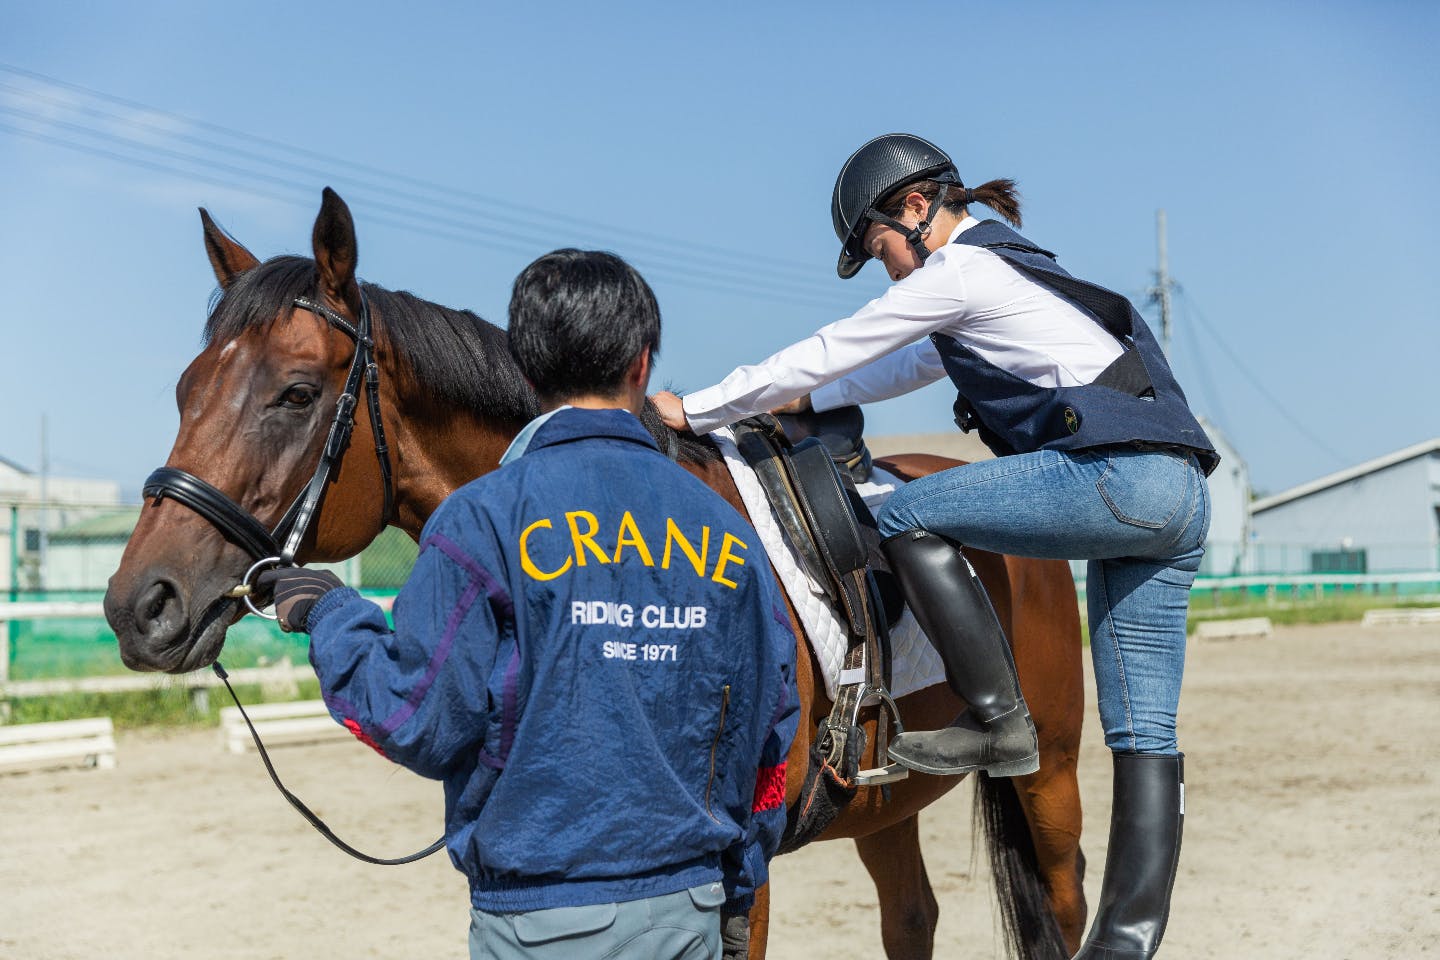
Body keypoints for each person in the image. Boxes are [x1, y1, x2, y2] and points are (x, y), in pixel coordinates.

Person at [653, 133, 1215, 959]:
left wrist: (700, 409)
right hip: (1180, 495)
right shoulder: (1008, 267)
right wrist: (812, 401)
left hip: (1117, 483)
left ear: (915, 210)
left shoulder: (960, 270)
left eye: (880, 248)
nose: (889, 269)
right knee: (1143, 739)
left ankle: (996, 723)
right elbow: (894, 368)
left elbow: (837, 345)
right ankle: (1120, 945)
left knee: (905, 512)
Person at [261, 249, 798, 960]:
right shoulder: (726, 530)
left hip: (539, 925)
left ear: (523, 368)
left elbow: (414, 718)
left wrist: (329, 614)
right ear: (641, 364)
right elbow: (769, 735)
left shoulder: (480, 521)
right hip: (688, 913)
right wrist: (739, 889)